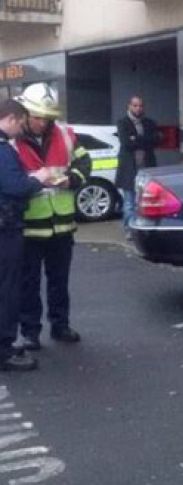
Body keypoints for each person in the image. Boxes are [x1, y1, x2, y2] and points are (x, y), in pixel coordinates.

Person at [13, 83, 91, 350]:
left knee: (59, 281)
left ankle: (60, 325)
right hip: (29, 226)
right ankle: (30, 332)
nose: (43, 123)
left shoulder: (66, 134)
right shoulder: (11, 140)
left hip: (62, 225)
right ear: (25, 113)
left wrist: (71, 179)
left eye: (47, 118)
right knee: (28, 284)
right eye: (37, 117)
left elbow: (84, 162)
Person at [0, 99, 55, 371]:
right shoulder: (3, 150)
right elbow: (15, 187)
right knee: (8, 289)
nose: (21, 128)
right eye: (20, 123)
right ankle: (4, 350)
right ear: (10, 119)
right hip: (6, 228)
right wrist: (38, 179)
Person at [115, 95, 159, 231]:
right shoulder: (123, 122)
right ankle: (129, 230)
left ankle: (143, 228)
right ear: (129, 106)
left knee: (146, 201)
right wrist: (144, 140)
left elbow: (155, 141)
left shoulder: (150, 123)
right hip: (129, 169)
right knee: (129, 202)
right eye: (135, 105)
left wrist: (137, 138)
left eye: (140, 105)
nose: (138, 108)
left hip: (147, 168)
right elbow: (126, 143)